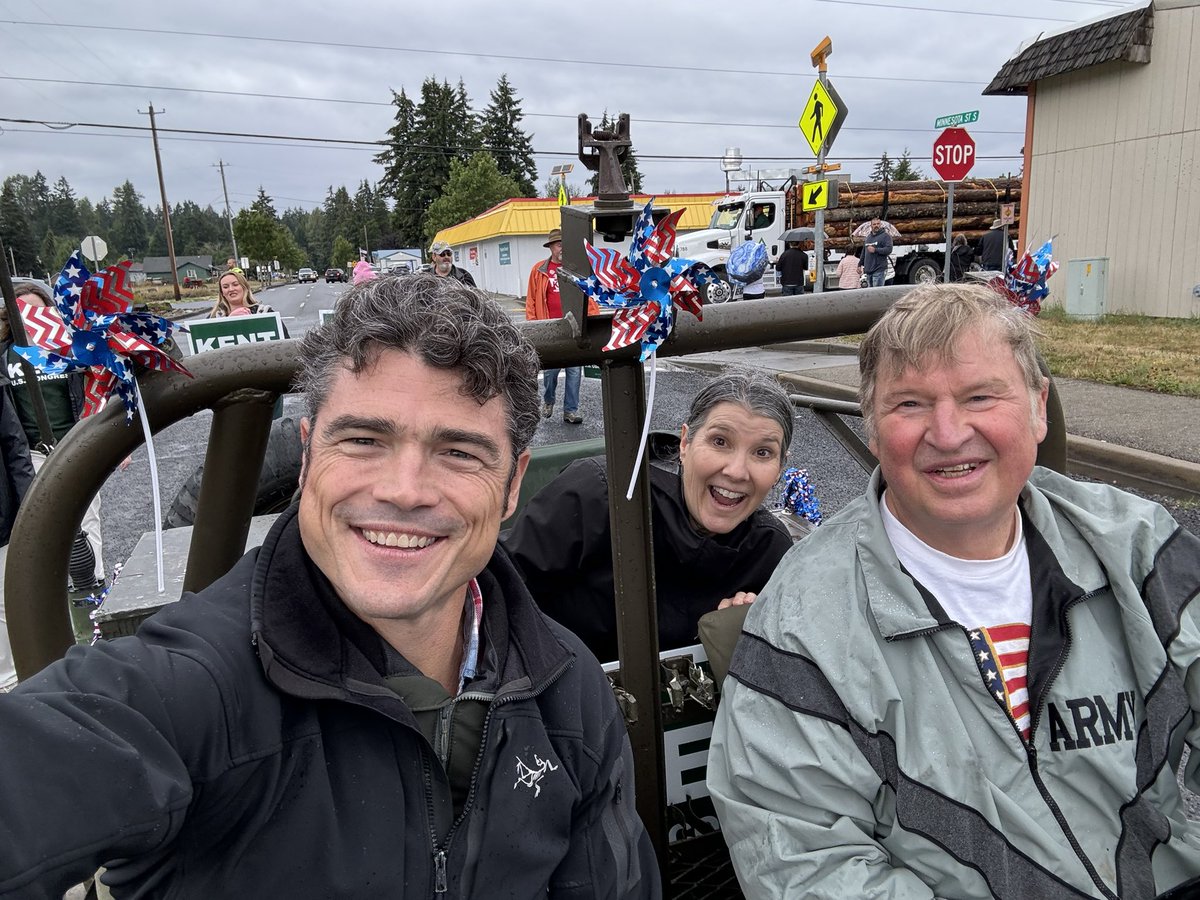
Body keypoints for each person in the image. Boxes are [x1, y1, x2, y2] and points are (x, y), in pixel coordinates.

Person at [0, 274, 659, 898]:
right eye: (365, 439)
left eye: (458, 451)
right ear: (309, 451)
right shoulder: (191, 689)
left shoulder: (567, 690)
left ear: (513, 483)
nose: (403, 490)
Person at [708, 283, 1200, 899]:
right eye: (910, 404)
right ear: (873, 425)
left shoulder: (1135, 546)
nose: (947, 432)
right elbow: (805, 865)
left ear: (1038, 405)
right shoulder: (802, 623)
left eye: (981, 396)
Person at [502, 371, 795, 663]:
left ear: (780, 469)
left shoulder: (771, 551)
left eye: (762, 452)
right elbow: (499, 589)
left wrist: (741, 633)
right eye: (720, 442)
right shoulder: (600, 495)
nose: (736, 471)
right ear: (684, 443)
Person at [1, 281, 105, 592]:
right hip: (31, 451)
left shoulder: (68, 349)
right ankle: (56, 586)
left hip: (76, 442)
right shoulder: (6, 356)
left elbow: (96, 390)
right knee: (45, 518)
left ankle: (94, 584)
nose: (32, 315)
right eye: (23, 310)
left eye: (38, 307)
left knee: (87, 514)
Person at [525, 227, 597, 425]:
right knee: (550, 372)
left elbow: (588, 297)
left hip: (574, 326)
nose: (562, 248)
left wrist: (592, 319)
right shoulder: (539, 270)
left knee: (575, 372)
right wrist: (534, 326)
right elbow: (531, 299)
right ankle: (548, 401)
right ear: (551, 248)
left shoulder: (575, 269)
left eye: (564, 244)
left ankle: (571, 410)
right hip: (550, 328)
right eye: (558, 245)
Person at [0, 372, 35, 691]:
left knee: (3, 602)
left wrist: (28, 509)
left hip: (2, 519)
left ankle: (9, 684)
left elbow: (16, 447)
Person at [208, 268, 275, 318]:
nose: (231, 289)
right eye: (225, 287)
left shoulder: (265, 313)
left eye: (235, 284)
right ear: (222, 293)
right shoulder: (213, 318)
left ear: (244, 287)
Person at [860, 217, 892, 287]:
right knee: (870, 294)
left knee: (877, 294)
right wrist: (859, 264)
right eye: (874, 224)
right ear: (871, 226)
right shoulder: (868, 237)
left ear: (880, 225)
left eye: (878, 224)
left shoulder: (885, 236)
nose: (876, 225)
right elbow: (864, 252)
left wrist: (875, 250)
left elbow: (889, 249)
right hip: (868, 271)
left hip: (879, 270)